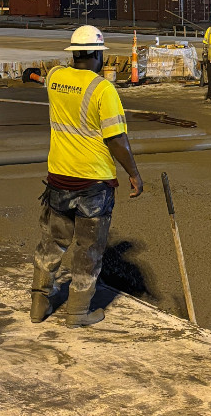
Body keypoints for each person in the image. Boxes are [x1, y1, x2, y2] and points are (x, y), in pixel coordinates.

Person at [32, 24, 144, 328]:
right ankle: (78, 313)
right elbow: (116, 139)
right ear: (96, 54)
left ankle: (39, 303)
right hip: (93, 183)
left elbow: (41, 77)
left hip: (58, 178)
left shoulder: (56, 77)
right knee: (88, 250)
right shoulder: (103, 89)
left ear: (73, 54)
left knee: (52, 243)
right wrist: (134, 174)